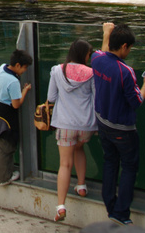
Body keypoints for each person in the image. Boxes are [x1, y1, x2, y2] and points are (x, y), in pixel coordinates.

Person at [91, 22, 145, 225]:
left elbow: (102, 53)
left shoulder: (96, 59)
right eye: (130, 48)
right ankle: (120, 213)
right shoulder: (125, 71)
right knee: (129, 166)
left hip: (102, 123)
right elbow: (136, 102)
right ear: (125, 46)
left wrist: (106, 33)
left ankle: (110, 205)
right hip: (122, 129)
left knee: (110, 162)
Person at [48, 39, 97, 222]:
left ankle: (61, 206)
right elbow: (96, 98)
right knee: (79, 149)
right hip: (85, 125)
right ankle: (82, 186)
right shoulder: (92, 73)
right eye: (89, 54)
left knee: (65, 164)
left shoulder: (57, 70)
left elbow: (51, 97)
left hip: (65, 124)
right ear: (84, 54)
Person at [0, 48, 33, 185]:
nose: (24, 71)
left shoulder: (1, 68)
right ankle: (4, 177)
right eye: (24, 68)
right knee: (6, 147)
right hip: (6, 118)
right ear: (17, 65)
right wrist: (25, 91)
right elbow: (16, 105)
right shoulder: (13, 82)